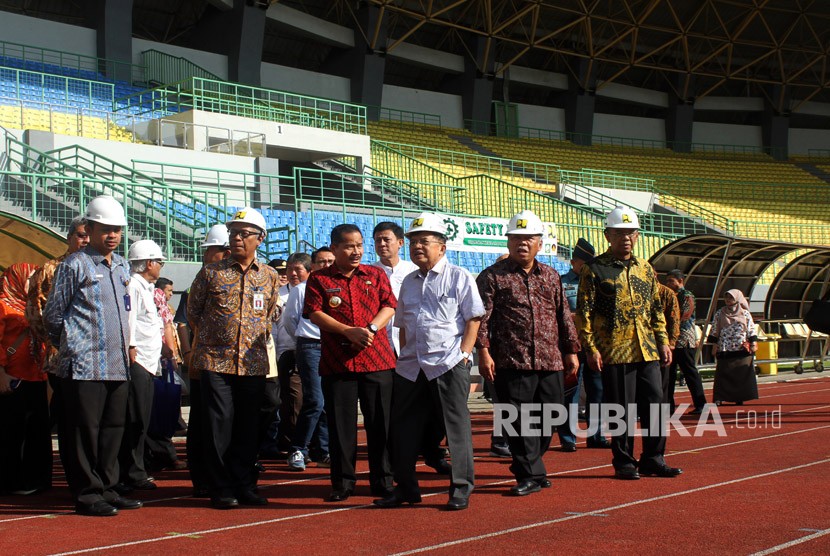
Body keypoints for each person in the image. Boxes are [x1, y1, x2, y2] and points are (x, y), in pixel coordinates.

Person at [374, 213, 484, 511]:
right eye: (413, 242)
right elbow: (404, 325)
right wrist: (405, 355)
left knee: (455, 427)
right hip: (411, 366)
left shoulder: (459, 276)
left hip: (447, 362)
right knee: (402, 428)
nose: (417, 246)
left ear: (442, 247)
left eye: (424, 241)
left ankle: (461, 487)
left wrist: (464, 354)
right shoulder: (409, 281)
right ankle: (406, 488)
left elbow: (473, 318)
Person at [43, 195, 143, 516]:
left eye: (117, 230)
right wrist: (75, 343)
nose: (112, 235)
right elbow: (53, 315)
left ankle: (109, 488)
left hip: (117, 364)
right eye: (105, 229)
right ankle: (87, 493)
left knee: (114, 429)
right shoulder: (74, 265)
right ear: (91, 227)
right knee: (84, 431)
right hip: (84, 366)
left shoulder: (123, 267)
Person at [476, 210, 580, 496]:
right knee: (517, 420)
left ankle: (533, 465)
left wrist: (571, 350)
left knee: (552, 417)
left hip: (550, 359)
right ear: (508, 242)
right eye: (516, 238)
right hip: (511, 361)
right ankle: (529, 473)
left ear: (539, 244)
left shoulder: (550, 276)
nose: (522, 243)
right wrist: (483, 353)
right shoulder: (491, 277)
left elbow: (564, 316)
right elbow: (481, 319)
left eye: (528, 238)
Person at [576, 206, 681, 481]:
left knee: (655, 404)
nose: (625, 238)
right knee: (622, 408)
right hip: (615, 350)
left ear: (637, 236)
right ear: (608, 235)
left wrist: (664, 342)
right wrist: (591, 348)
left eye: (630, 233)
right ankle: (624, 461)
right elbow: (584, 312)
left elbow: (655, 309)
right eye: (619, 233)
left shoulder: (646, 268)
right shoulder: (594, 269)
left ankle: (653, 458)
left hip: (647, 349)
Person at [187, 207, 281, 509]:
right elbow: (193, 312)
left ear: (260, 238)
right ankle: (221, 486)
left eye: (245, 233)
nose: (238, 238)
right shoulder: (211, 272)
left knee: (248, 426)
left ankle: (245, 483)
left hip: (253, 363)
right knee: (219, 424)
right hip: (217, 360)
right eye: (234, 233)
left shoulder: (269, 276)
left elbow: (268, 314)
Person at [304, 224, 397, 502]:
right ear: (334, 248)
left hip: (378, 360)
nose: (355, 251)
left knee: (381, 424)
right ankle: (343, 482)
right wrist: (347, 331)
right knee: (341, 427)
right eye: (348, 246)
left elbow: (389, 305)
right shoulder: (319, 278)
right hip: (338, 364)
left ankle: (384, 480)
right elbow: (313, 313)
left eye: (358, 245)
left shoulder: (375, 273)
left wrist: (369, 329)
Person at [372, 221, 449, 474]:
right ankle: (396, 464)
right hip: (382, 349)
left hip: (416, 350)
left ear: (400, 243)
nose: (382, 245)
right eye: (378, 240)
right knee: (396, 410)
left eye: (387, 239)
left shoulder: (412, 271)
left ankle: (432, 450)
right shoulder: (368, 273)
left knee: (434, 408)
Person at [26, 216, 89, 466]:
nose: (85, 240)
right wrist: (54, 343)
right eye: (81, 235)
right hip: (61, 357)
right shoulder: (51, 269)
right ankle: (75, 472)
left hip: (97, 358)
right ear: (69, 237)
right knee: (68, 417)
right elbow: (35, 311)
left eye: (88, 235)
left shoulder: (101, 266)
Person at [176, 224, 231, 497]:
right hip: (203, 361)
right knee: (201, 421)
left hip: (227, 363)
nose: (210, 255)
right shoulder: (200, 281)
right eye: (210, 250)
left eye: (215, 250)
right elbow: (186, 322)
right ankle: (202, 476)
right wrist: (188, 353)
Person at [116, 240, 166, 494]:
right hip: (138, 360)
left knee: (141, 419)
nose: (161, 266)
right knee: (135, 419)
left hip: (148, 361)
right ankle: (131, 472)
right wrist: (132, 347)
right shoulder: (134, 286)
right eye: (159, 261)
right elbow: (129, 319)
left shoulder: (146, 287)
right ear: (148, 263)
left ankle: (135, 468)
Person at [0, 263, 50, 496]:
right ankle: (14, 480)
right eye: (28, 279)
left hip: (37, 374)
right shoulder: (3, 304)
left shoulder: (34, 305)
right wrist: (1, 373)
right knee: (14, 431)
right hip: (13, 376)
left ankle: (37, 479)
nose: (32, 283)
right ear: (16, 280)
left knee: (37, 428)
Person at [558, 238, 609, 451]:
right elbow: (557, 314)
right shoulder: (561, 282)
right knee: (571, 391)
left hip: (595, 345)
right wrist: (578, 317)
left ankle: (596, 435)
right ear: (573, 262)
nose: (587, 267)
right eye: (583, 263)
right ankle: (568, 438)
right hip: (572, 346)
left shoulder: (599, 282)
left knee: (597, 392)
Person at [283, 250, 331, 471]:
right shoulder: (301, 290)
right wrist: (304, 342)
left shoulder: (334, 289)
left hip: (331, 347)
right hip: (311, 346)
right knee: (314, 400)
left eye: (331, 261)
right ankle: (298, 449)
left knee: (325, 402)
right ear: (314, 265)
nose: (327, 265)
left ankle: (323, 450)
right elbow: (291, 322)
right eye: (322, 262)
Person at [664, 270, 707, 414]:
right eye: (667, 281)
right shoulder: (669, 295)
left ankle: (701, 404)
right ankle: (668, 406)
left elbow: (685, 315)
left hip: (684, 340)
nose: (668, 284)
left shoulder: (687, 295)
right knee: (668, 375)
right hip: (670, 341)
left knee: (690, 373)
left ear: (680, 281)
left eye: (671, 281)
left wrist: (671, 327)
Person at [709, 289, 759, 406]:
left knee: (740, 374)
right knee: (722, 374)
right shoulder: (720, 313)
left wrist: (753, 342)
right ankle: (719, 398)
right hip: (725, 347)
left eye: (731, 298)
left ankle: (739, 397)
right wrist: (714, 345)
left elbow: (751, 328)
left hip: (741, 348)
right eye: (726, 297)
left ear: (737, 298)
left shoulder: (745, 313)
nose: (728, 300)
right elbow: (715, 329)